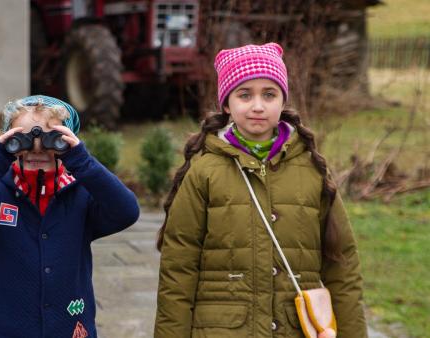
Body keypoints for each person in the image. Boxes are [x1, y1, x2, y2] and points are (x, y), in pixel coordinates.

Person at [154, 43, 367, 337]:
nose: (257, 105)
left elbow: (342, 265)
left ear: (283, 101)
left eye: (269, 94)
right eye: (245, 94)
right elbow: (178, 269)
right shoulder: (203, 171)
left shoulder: (312, 170)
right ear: (227, 104)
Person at [0, 95, 140, 338]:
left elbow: (127, 211)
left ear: (67, 141)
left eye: (50, 140)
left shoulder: (81, 194)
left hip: (72, 329)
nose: (37, 149)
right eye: (21, 140)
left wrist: (81, 160)